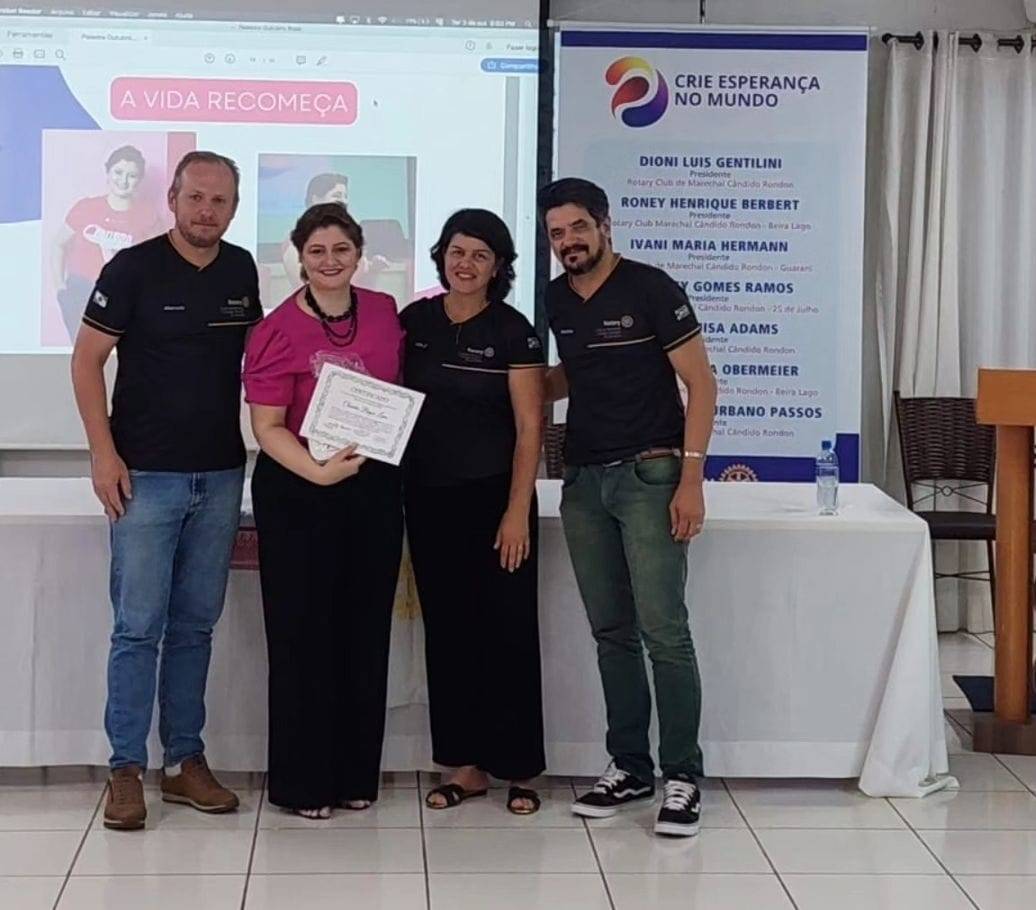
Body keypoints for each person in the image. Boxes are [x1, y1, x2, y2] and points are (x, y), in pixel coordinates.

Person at [70, 151, 261, 831]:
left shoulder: (241, 269)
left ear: (233, 208)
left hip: (220, 474)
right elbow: (86, 360)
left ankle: (184, 761)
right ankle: (126, 769)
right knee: (136, 628)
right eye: (196, 197)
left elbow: (265, 362)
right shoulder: (132, 269)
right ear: (173, 199)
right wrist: (103, 455)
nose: (207, 210)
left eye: (220, 200)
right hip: (144, 477)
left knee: (195, 627)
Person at [538, 177, 717, 838]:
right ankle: (631, 767)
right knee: (610, 631)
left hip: (650, 474)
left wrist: (690, 479)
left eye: (578, 228)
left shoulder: (651, 287)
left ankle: (683, 775)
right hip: (584, 481)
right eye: (557, 233)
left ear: (605, 226)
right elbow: (574, 373)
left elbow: (701, 383)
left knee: (663, 631)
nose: (569, 242)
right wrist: (516, 387)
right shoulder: (557, 297)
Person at [244, 202, 404, 819]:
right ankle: (304, 784)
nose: (330, 261)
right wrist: (317, 472)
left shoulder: (385, 311)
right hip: (299, 489)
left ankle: (355, 774)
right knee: (302, 636)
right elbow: (267, 427)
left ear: (359, 254)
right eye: (317, 251)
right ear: (299, 258)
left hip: (371, 487)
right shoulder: (275, 329)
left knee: (364, 631)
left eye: (341, 249)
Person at [400, 209, 546, 815]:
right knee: (449, 632)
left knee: (508, 631)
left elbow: (530, 425)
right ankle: (464, 767)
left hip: (497, 502)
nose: (466, 264)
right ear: (441, 256)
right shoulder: (414, 322)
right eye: (457, 252)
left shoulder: (515, 330)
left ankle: (519, 769)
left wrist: (516, 510)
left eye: (480, 255)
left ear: (498, 267)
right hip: (429, 499)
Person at [54, 145, 161, 341]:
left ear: (139, 180)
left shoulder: (148, 214)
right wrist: (60, 287)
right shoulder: (86, 207)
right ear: (108, 172)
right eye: (118, 172)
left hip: (127, 295)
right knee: (83, 350)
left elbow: (159, 259)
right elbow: (58, 244)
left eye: (131, 175)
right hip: (82, 292)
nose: (123, 180)